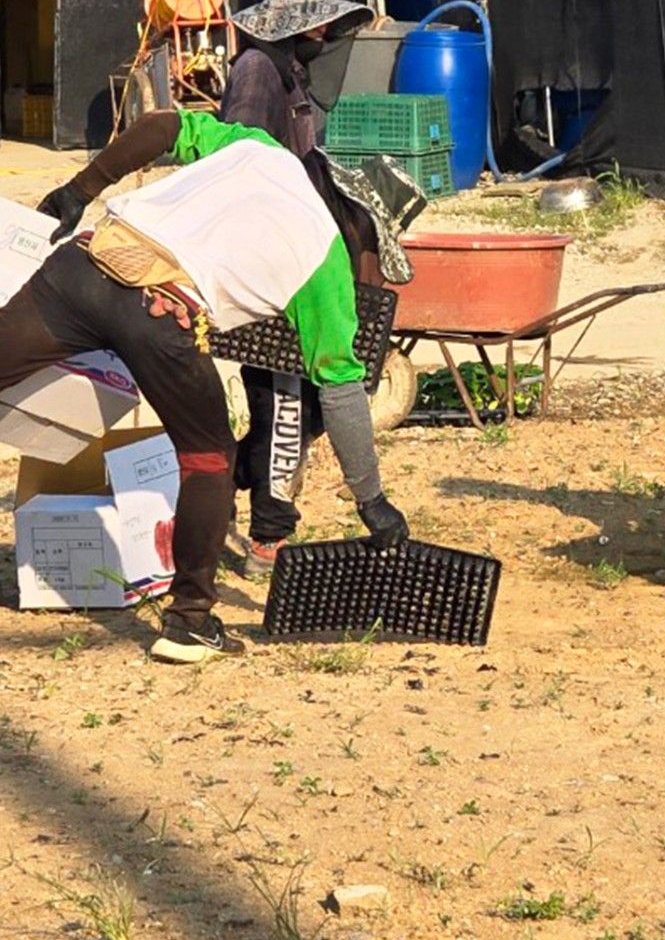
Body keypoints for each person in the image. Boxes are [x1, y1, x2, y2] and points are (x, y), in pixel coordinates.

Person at [23, 108, 410, 663]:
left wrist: (77, 189)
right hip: (159, 316)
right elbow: (342, 388)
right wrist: (371, 500)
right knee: (209, 457)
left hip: (81, 266)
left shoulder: (258, 151)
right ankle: (187, 622)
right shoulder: (325, 262)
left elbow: (161, 127)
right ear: (358, 227)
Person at [222, 0, 377, 578]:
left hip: (301, 259)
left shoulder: (290, 68)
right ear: (298, 24)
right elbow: (239, 163)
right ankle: (268, 539)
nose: (324, 35)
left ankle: (211, 482)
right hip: (275, 268)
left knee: (305, 407)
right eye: (318, 24)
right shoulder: (257, 71)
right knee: (284, 407)